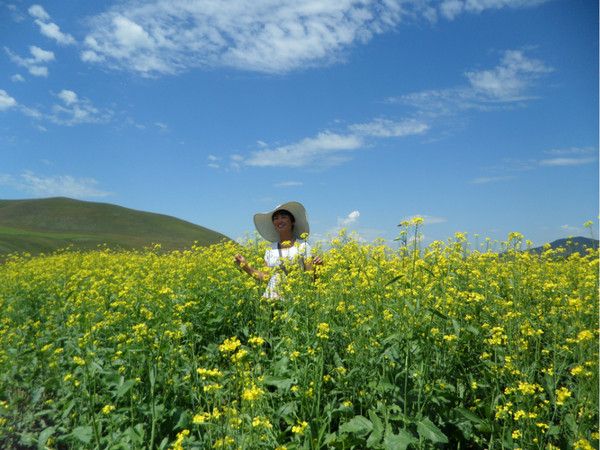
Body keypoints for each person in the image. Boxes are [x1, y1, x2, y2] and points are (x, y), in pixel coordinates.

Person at [234, 201, 322, 299]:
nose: (279, 221)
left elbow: (309, 279)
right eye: (275, 218)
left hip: (296, 301)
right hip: (271, 301)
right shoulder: (270, 249)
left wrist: (318, 269)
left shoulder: (303, 246)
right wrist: (245, 266)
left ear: (292, 222)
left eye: (283, 217)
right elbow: (265, 278)